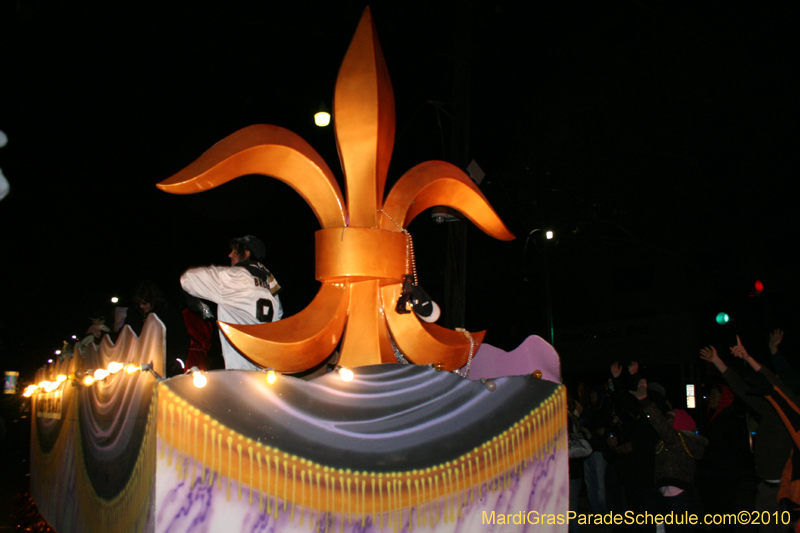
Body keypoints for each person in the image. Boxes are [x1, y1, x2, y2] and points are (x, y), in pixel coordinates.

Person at [180, 235, 283, 370]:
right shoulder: (271, 288)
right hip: (266, 372)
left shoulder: (234, 278)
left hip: (241, 373)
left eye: (235, 251)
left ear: (246, 253)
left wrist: (200, 304)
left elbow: (188, 279)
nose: (230, 255)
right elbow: (279, 316)